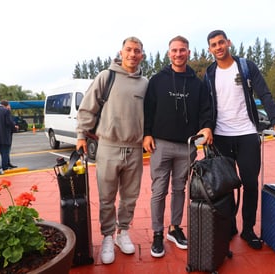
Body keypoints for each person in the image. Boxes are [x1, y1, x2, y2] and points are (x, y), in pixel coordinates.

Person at [203, 30, 275, 250]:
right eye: (214, 45)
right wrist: (206, 127)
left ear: (228, 43)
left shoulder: (245, 67)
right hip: (221, 137)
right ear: (210, 49)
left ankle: (248, 229)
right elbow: (206, 104)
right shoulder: (210, 73)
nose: (218, 47)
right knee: (224, 186)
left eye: (221, 42)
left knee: (250, 184)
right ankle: (230, 225)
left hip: (246, 135)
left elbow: (265, 93)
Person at [76, 37, 148, 265]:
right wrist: (81, 135)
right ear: (121, 52)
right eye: (129, 49)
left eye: (137, 51)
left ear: (142, 56)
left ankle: (122, 232)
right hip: (108, 146)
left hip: (135, 149)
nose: (132, 54)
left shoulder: (145, 83)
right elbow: (88, 107)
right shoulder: (106, 77)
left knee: (130, 197)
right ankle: (107, 236)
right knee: (106, 197)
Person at [143, 35, 213, 258]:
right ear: (168, 53)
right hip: (160, 144)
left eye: (182, 50)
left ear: (189, 53)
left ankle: (174, 228)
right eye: (174, 50)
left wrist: (207, 127)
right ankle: (156, 234)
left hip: (187, 145)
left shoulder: (197, 83)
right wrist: (146, 134)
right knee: (158, 191)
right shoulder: (157, 80)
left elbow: (205, 110)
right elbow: (148, 109)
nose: (178, 54)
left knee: (180, 189)